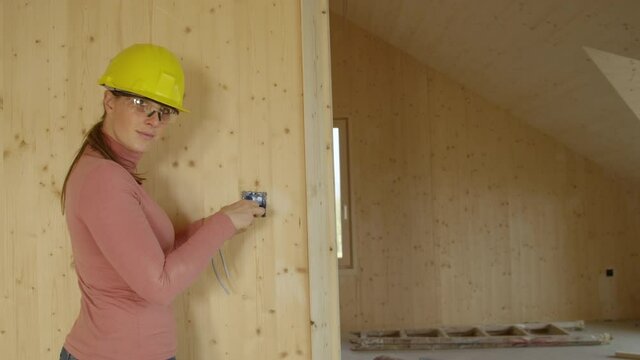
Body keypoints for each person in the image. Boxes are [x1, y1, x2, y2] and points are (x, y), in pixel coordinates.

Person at [58, 44, 265, 360]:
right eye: (141, 103)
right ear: (109, 100)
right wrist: (223, 225)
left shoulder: (109, 173)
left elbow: (158, 258)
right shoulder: (104, 179)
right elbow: (160, 285)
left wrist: (221, 221)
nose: (154, 120)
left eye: (165, 111)